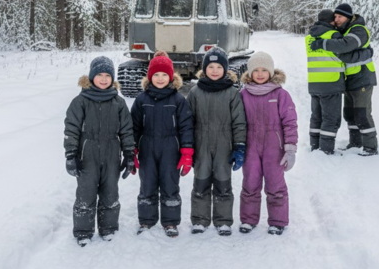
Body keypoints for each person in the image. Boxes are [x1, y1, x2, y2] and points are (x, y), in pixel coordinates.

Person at [63, 56, 136, 246]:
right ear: (91, 77)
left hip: (112, 152)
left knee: (110, 192)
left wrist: (129, 154)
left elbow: (127, 130)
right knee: (86, 194)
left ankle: (108, 228)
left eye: (107, 76)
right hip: (87, 154)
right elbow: (71, 129)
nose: (103, 79)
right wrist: (71, 154)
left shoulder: (118, 103)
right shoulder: (80, 101)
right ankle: (83, 231)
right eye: (99, 75)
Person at [130, 51, 194, 237]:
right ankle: (147, 220)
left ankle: (170, 222)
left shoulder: (178, 100)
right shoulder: (142, 100)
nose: (160, 78)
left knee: (170, 185)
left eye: (164, 75)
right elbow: (133, 127)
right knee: (147, 185)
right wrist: (132, 151)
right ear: (150, 77)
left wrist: (187, 152)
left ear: (171, 77)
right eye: (156, 75)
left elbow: (186, 127)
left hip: (170, 149)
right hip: (147, 148)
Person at [187, 47, 247, 236]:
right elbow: (187, 121)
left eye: (218, 67)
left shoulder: (231, 93)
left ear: (225, 69)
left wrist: (239, 146)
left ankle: (223, 221)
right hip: (201, 145)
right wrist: (187, 146)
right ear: (204, 69)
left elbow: (239, 122)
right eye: (210, 67)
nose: (214, 70)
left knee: (223, 183)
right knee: (201, 183)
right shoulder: (195, 92)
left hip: (224, 146)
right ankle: (200, 220)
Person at [239, 52, 298, 235]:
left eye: (264, 70)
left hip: (274, 146)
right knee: (250, 183)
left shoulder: (281, 94)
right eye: (256, 70)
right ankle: (249, 220)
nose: (260, 74)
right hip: (250, 146)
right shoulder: (243, 94)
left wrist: (290, 149)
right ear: (250, 72)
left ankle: (278, 221)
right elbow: (237, 123)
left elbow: (290, 122)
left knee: (275, 184)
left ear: (271, 72)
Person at [310, 3, 378, 156]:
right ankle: (355, 143)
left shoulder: (358, 30)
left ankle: (370, 147)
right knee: (349, 114)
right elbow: (343, 54)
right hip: (349, 79)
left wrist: (323, 44)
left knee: (362, 114)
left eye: (340, 16)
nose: (337, 20)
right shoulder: (344, 30)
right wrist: (366, 53)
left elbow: (345, 47)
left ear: (348, 17)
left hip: (362, 77)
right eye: (335, 17)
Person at [305, 9, 345, 155]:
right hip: (331, 82)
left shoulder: (309, 37)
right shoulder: (333, 35)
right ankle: (326, 150)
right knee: (331, 118)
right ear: (331, 21)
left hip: (314, 82)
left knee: (316, 116)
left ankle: (315, 146)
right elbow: (344, 52)